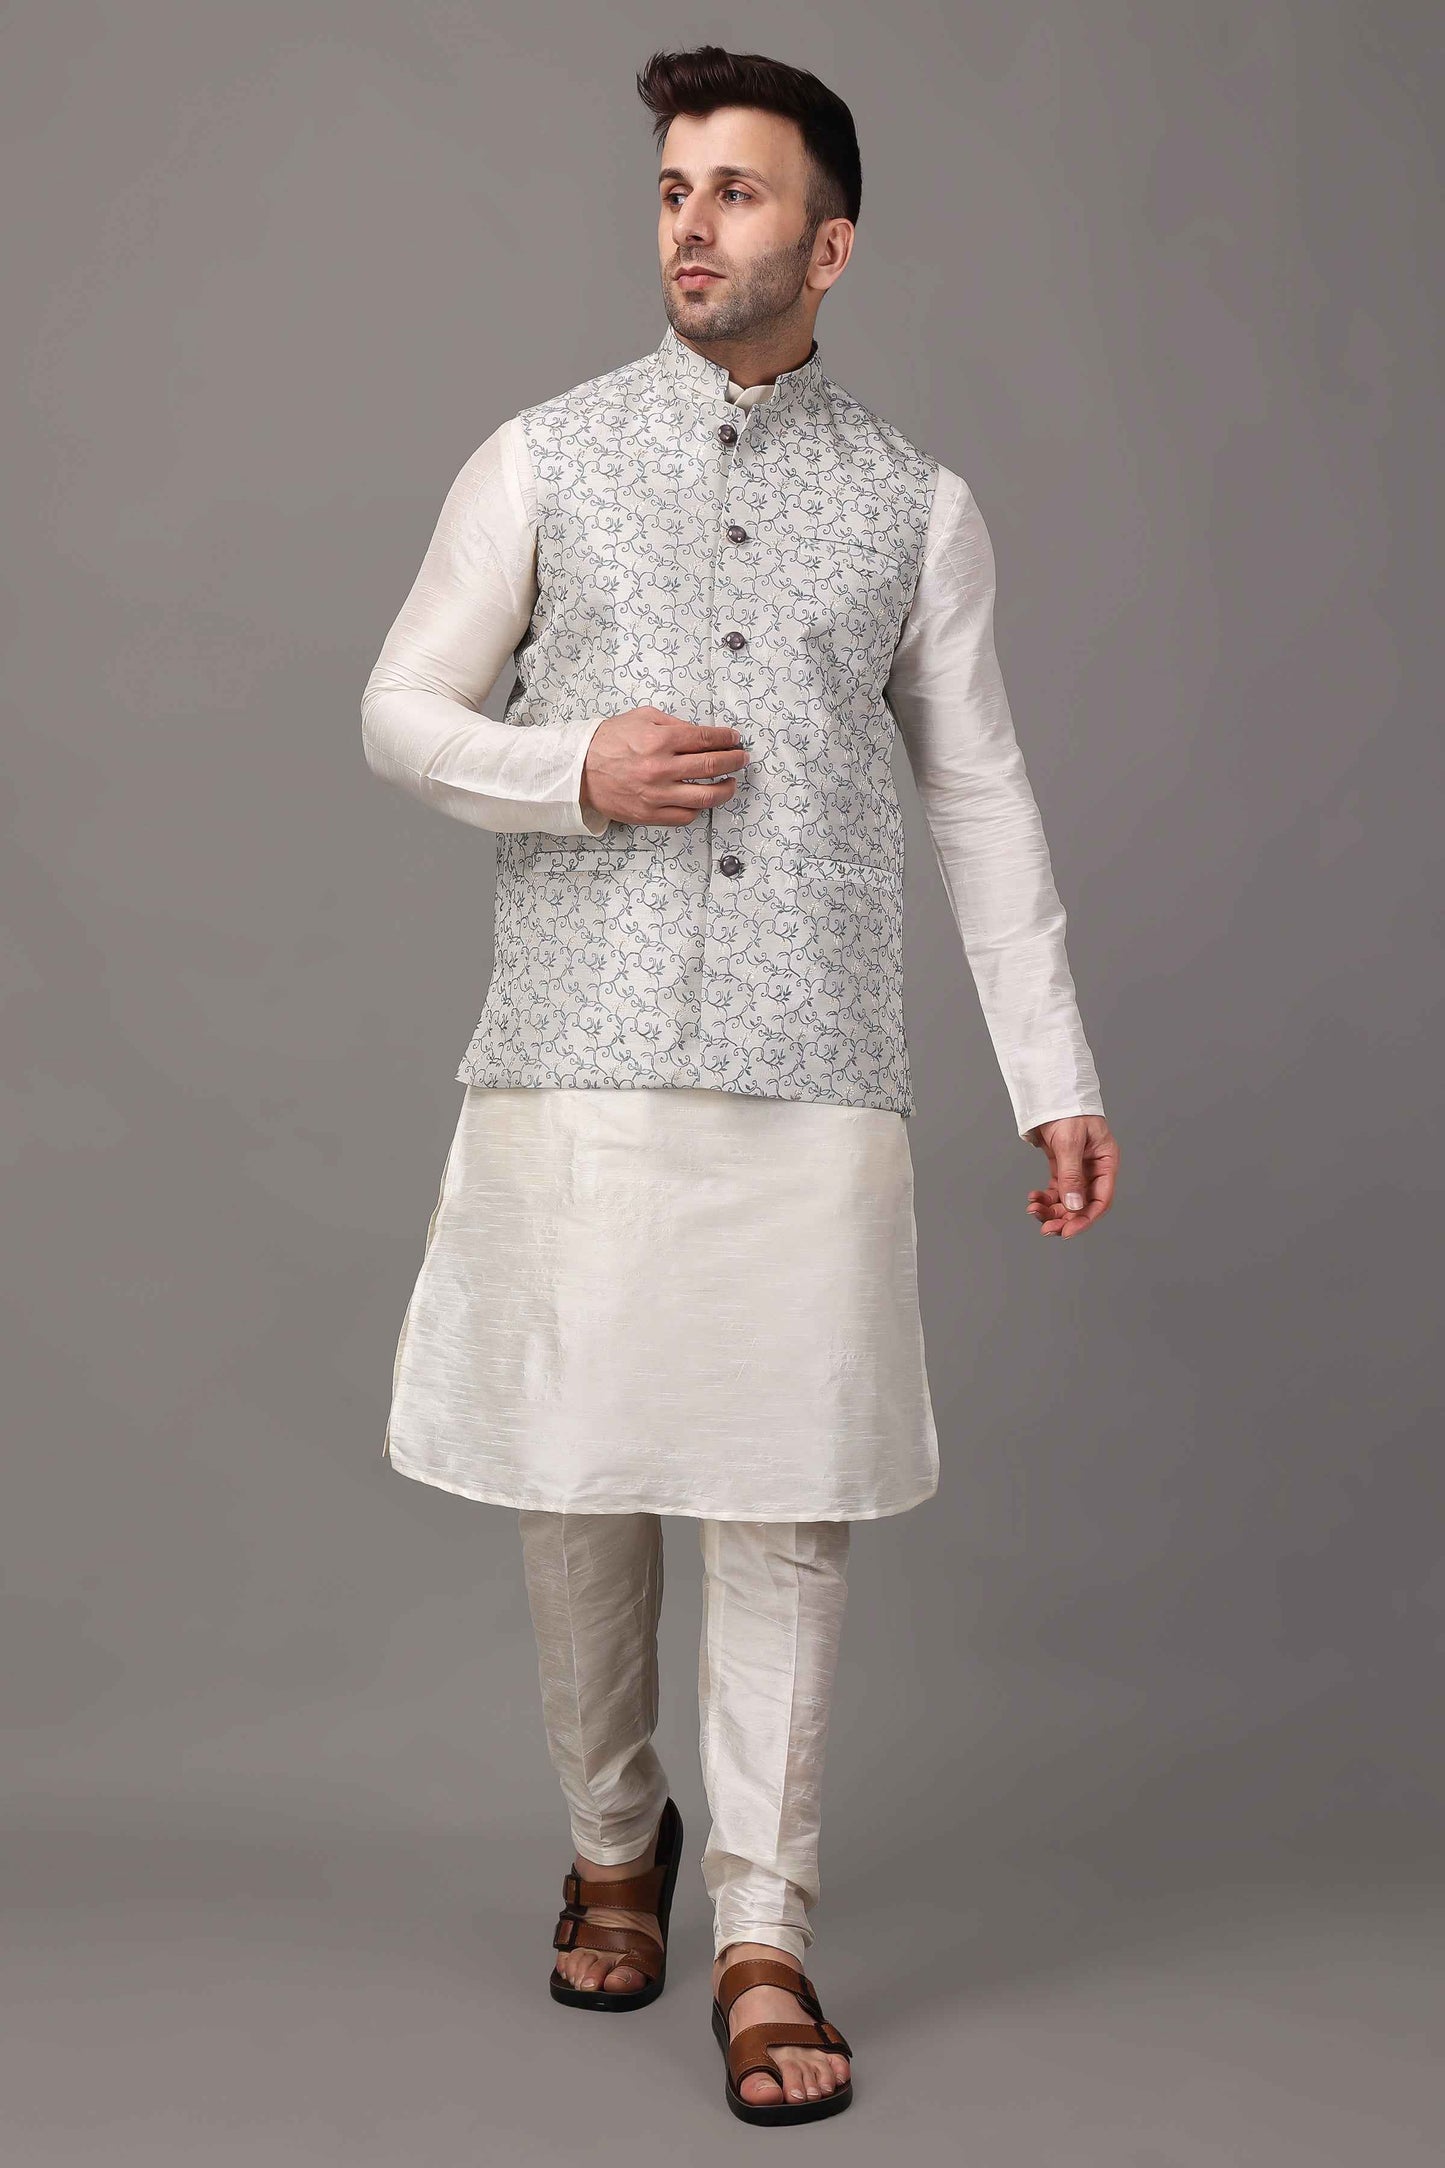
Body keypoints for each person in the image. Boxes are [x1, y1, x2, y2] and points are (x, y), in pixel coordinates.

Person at [361, 42, 1119, 2129]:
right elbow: (400, 711)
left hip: (813, 1069)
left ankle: (765, 1936)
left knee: (786, 1504)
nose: (692, 225)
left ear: (832, 244)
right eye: (673, 189)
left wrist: (1053, 1072)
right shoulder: (541, 456)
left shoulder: (916, 506)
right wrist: (571, 769)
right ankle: (617, 1844)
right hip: (575, 1056)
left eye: (740, 192)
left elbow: (980, 797)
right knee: (577, 1480)